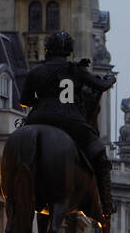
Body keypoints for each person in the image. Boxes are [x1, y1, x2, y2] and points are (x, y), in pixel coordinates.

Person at [19, 30, 117, 217]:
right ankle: (106, 203)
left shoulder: (36, 71)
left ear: (48, 48)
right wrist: (110, 79)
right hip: (70, 121)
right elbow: (101, 86)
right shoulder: (75, 70)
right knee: (100, 157)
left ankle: (2, 186)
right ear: (69, 50)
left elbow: (25, 101)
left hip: (37, 119)